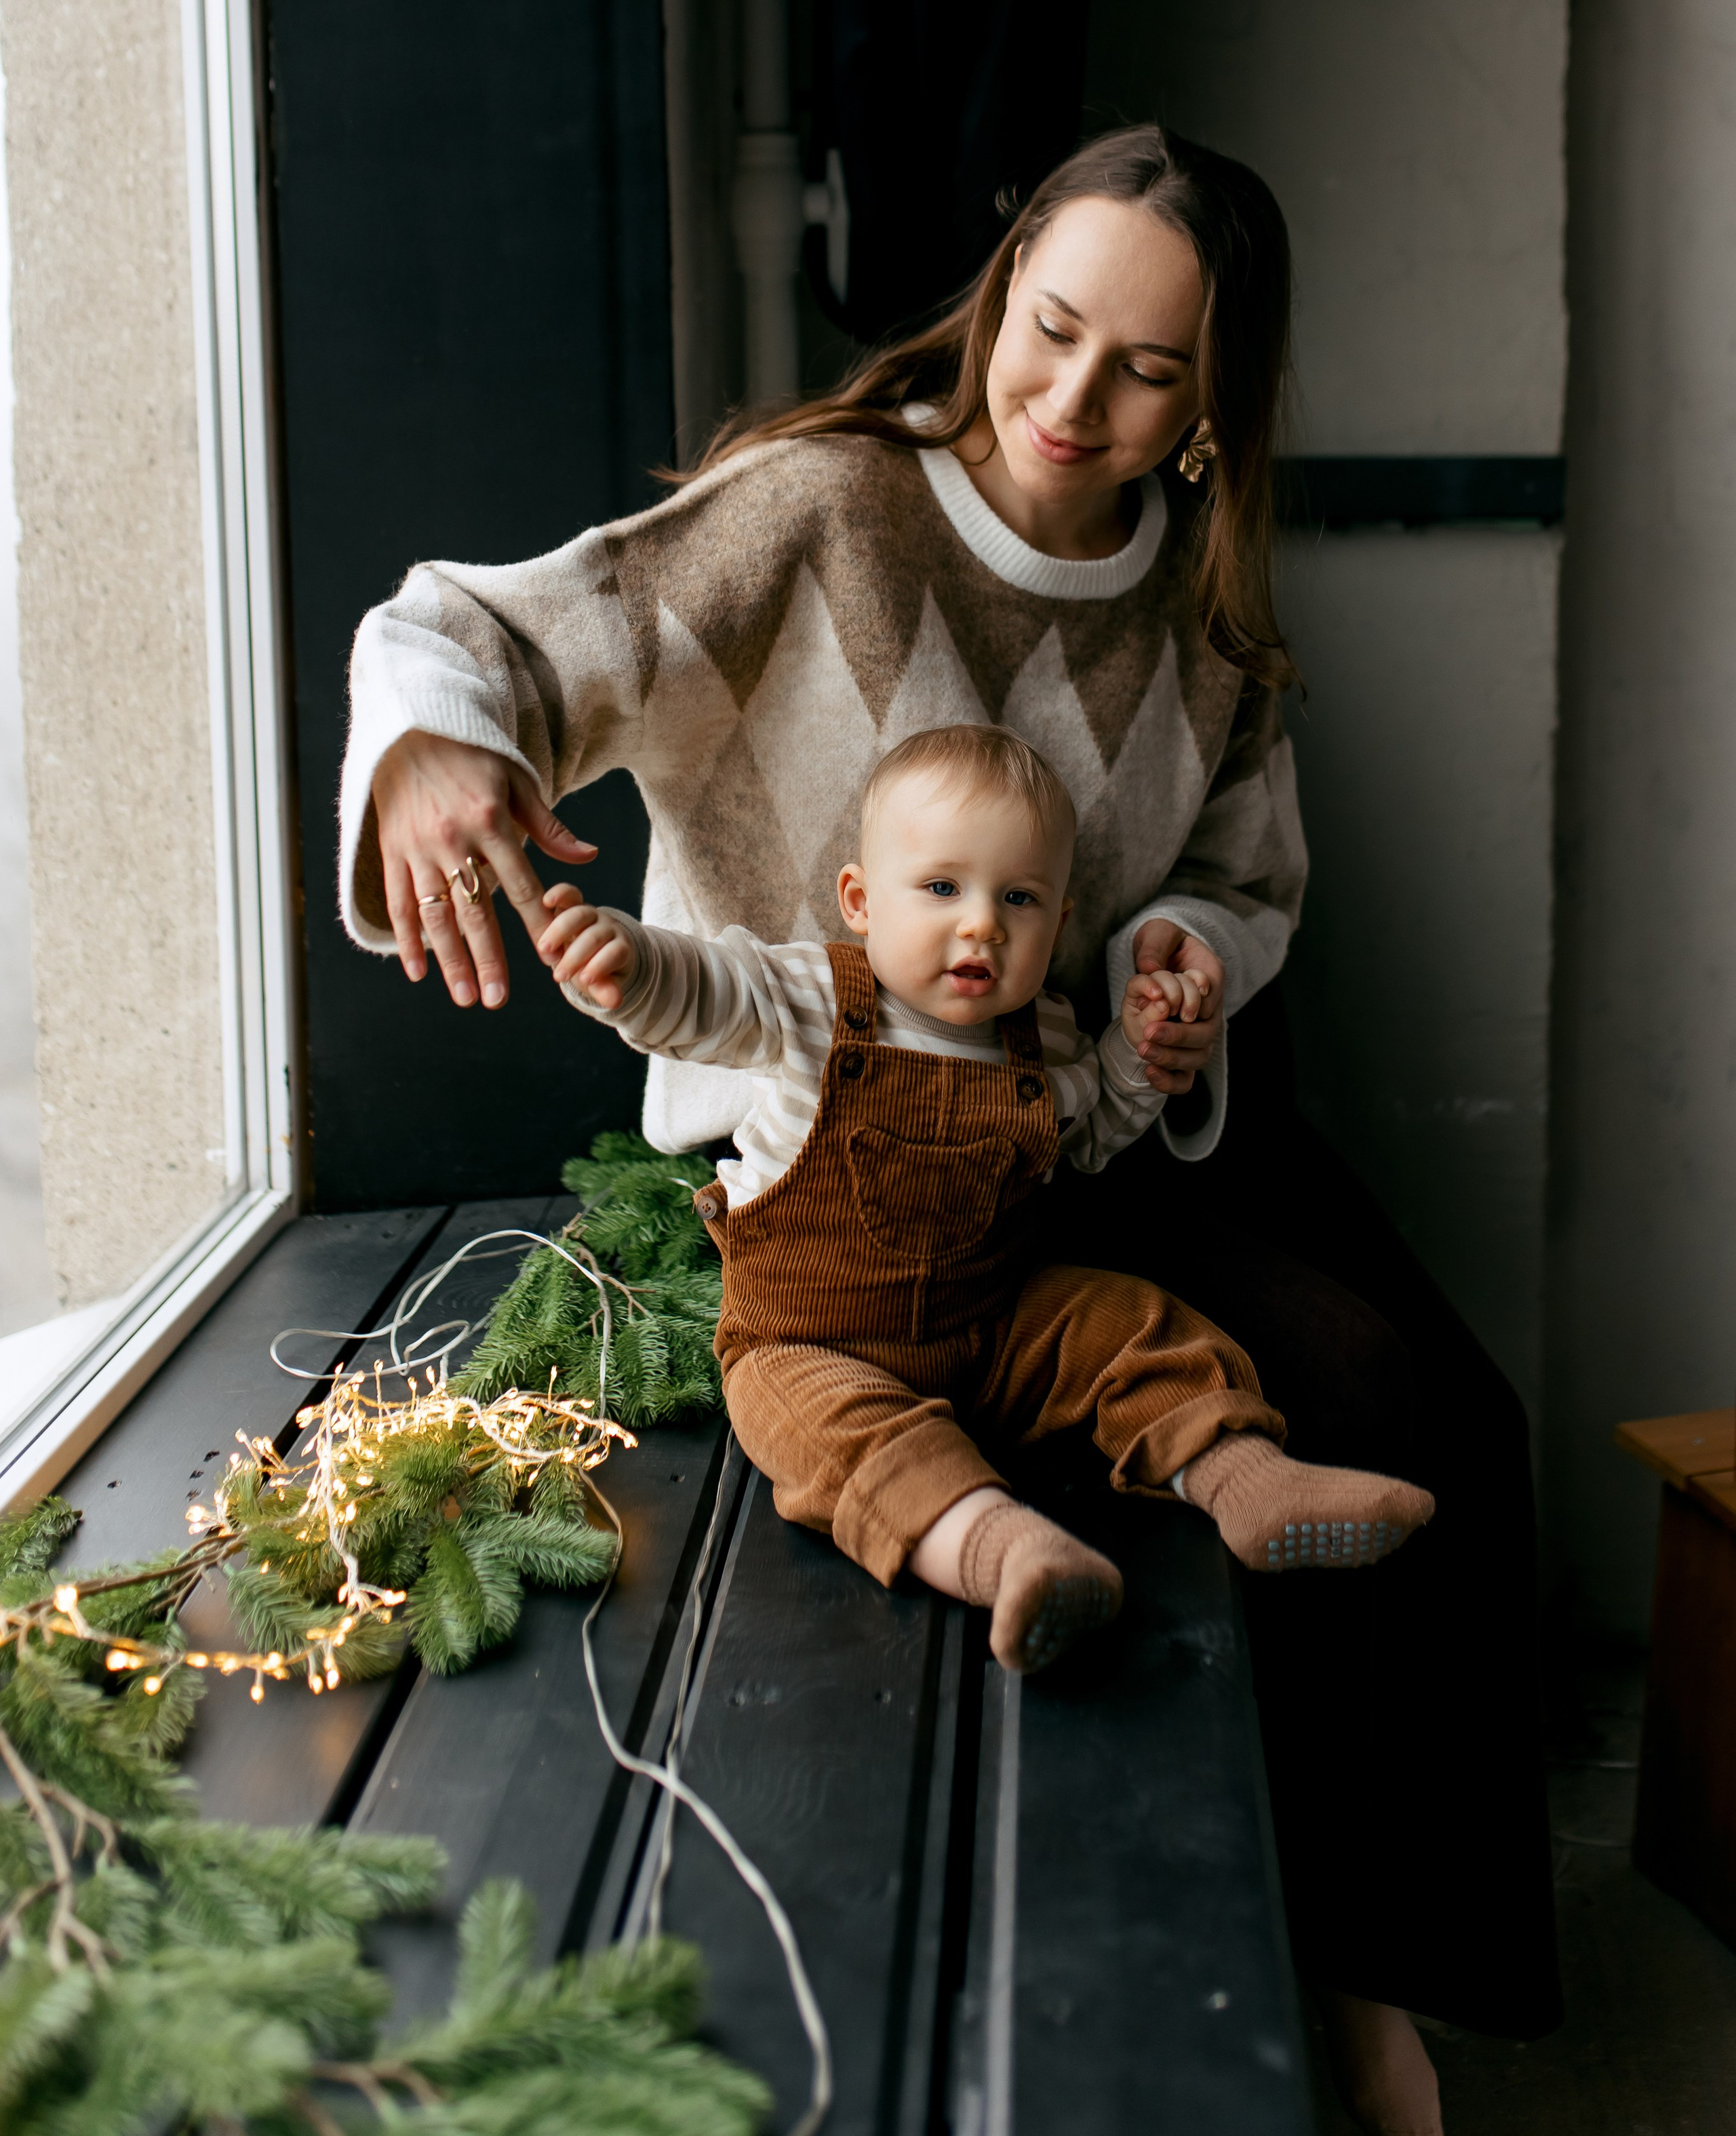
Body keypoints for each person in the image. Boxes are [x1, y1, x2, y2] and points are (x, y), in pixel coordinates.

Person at [340, 123, 1560, 2136]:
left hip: (1079, 1118)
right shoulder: (820, 513)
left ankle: (1379, 1980)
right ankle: (1342, 1993)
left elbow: (1255, 882)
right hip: (829, 1148)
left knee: (1460, 1418)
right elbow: (474, 626)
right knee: (1333, 1374)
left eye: (1147, 372)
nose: (1075, 402)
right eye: (1053, 331)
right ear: (1002, 300)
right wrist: (429, 766)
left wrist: (1184, 952)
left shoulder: (1205, 608)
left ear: (1210, 411)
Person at [538, 720, 1433, 1672]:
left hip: (996, 1324)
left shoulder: (1038, 1038)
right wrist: (630, 969)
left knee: (1130, 1323)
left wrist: (1138, 1055)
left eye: (1020, 898)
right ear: (861, 900)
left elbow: (1085, 1136)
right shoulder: (811, 996)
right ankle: (1008, 1551)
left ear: (1059, 916)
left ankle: (1249, 1481)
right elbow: (710, 992)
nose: (982, 924)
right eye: (941, 889)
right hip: (813, 1340)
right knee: (833, 1439)